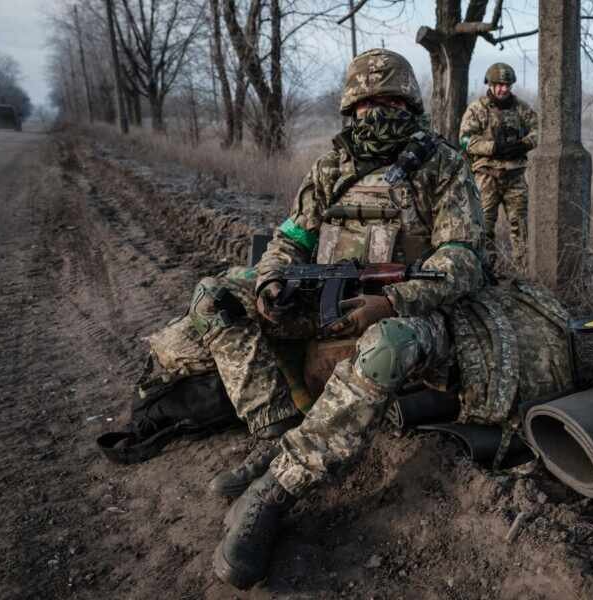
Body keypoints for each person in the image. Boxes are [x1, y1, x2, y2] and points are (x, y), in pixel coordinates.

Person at [205, 48, 493, 589]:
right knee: (214, 295)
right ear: (349, 109)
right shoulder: (330, 168)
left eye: (389, 102)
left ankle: (276, 489)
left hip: (416, 312)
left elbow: (463, 261)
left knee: (383, 344)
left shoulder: (444, 166)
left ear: (410, 104)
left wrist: (394, 301)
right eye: (366, 103)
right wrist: (271, 282)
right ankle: (279, 436)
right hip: (327, 293)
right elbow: (290, 238)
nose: (377, 113)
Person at [459, 62, 537, 272]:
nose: (504, 89)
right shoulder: (477, 109)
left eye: (507, 85)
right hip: (486, 176)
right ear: (491, 84)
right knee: (483, 227)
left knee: (520, 227)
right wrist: (493, 147)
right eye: (499, 84)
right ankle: (487, 272)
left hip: (515, 176)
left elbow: (538, 131)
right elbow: (465, 140)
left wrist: (523, 144)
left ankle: (523, 273)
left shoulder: (521, 108)